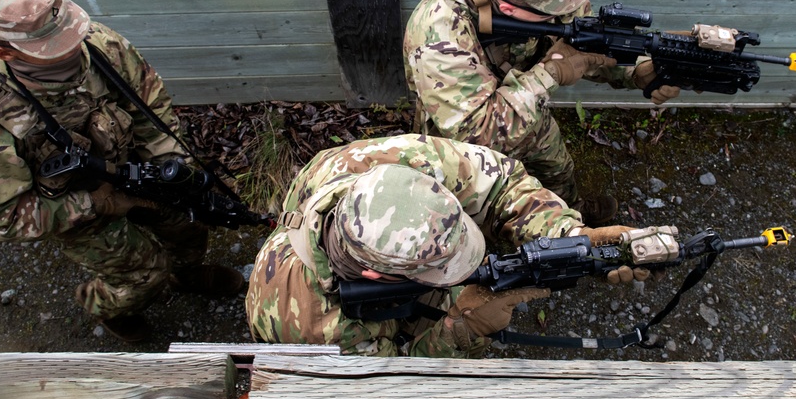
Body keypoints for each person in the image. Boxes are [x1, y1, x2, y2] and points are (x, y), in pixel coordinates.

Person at [0, 0, 244, 342]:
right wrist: (95, 204)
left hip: (127, 167)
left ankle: (186, 275)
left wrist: (170, 166)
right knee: (142, 274)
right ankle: (111, 309)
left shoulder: (96, 44)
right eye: (52, 46)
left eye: (69, 31)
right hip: (68, 204)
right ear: (5, 52)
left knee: (189, 220)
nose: (73, 48)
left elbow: (149, 105)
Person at [245, 134, 670, 358]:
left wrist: (567, 236)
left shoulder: (392, 163)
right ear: (377, 274)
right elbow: (396, 393)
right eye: (441, 268)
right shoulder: (318, 329)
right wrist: (462, 330)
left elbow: (500, 181)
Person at [403, 0, 683, 227]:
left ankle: (570, 213)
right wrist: (551, 73)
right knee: (476, 206)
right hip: (466, 139)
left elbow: (584, 47)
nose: (564, 9)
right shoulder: (437, 31)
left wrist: (636, 72)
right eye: (552, 7)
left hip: (527, 108)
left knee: (558, 168)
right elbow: (476, 136)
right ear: (510, 9)